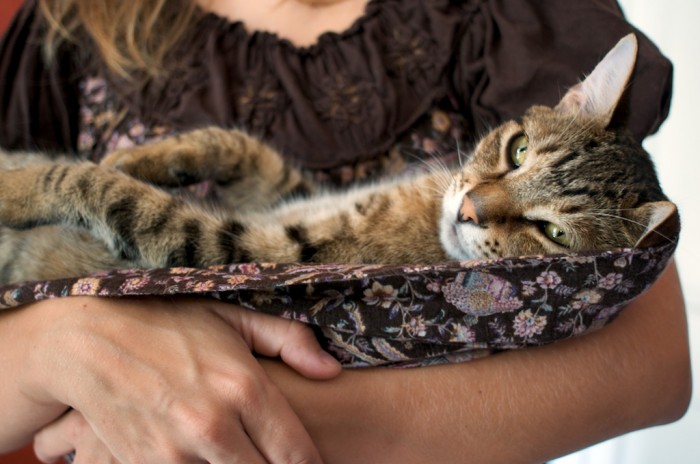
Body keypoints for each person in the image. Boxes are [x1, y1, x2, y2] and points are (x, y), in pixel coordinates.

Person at [0, 0, 691, 463]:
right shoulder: (64, 23)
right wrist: (59, 343)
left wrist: (267, 416)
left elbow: (656, 368)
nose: (478, 205)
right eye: (513, 157)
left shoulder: (500, 16)